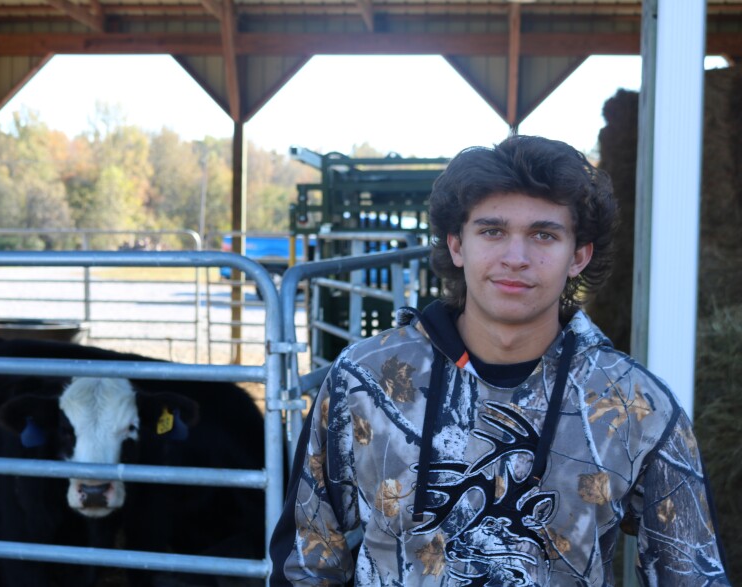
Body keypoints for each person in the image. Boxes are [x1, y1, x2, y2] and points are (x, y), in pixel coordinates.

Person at [268, 136, 730, 586]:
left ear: (579, 256)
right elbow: (307, 561)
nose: (516, 257)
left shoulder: (634, 406)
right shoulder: (365, 381)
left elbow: (691, 571)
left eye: (544, 235)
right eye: (492, 231)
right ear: (456, 245)